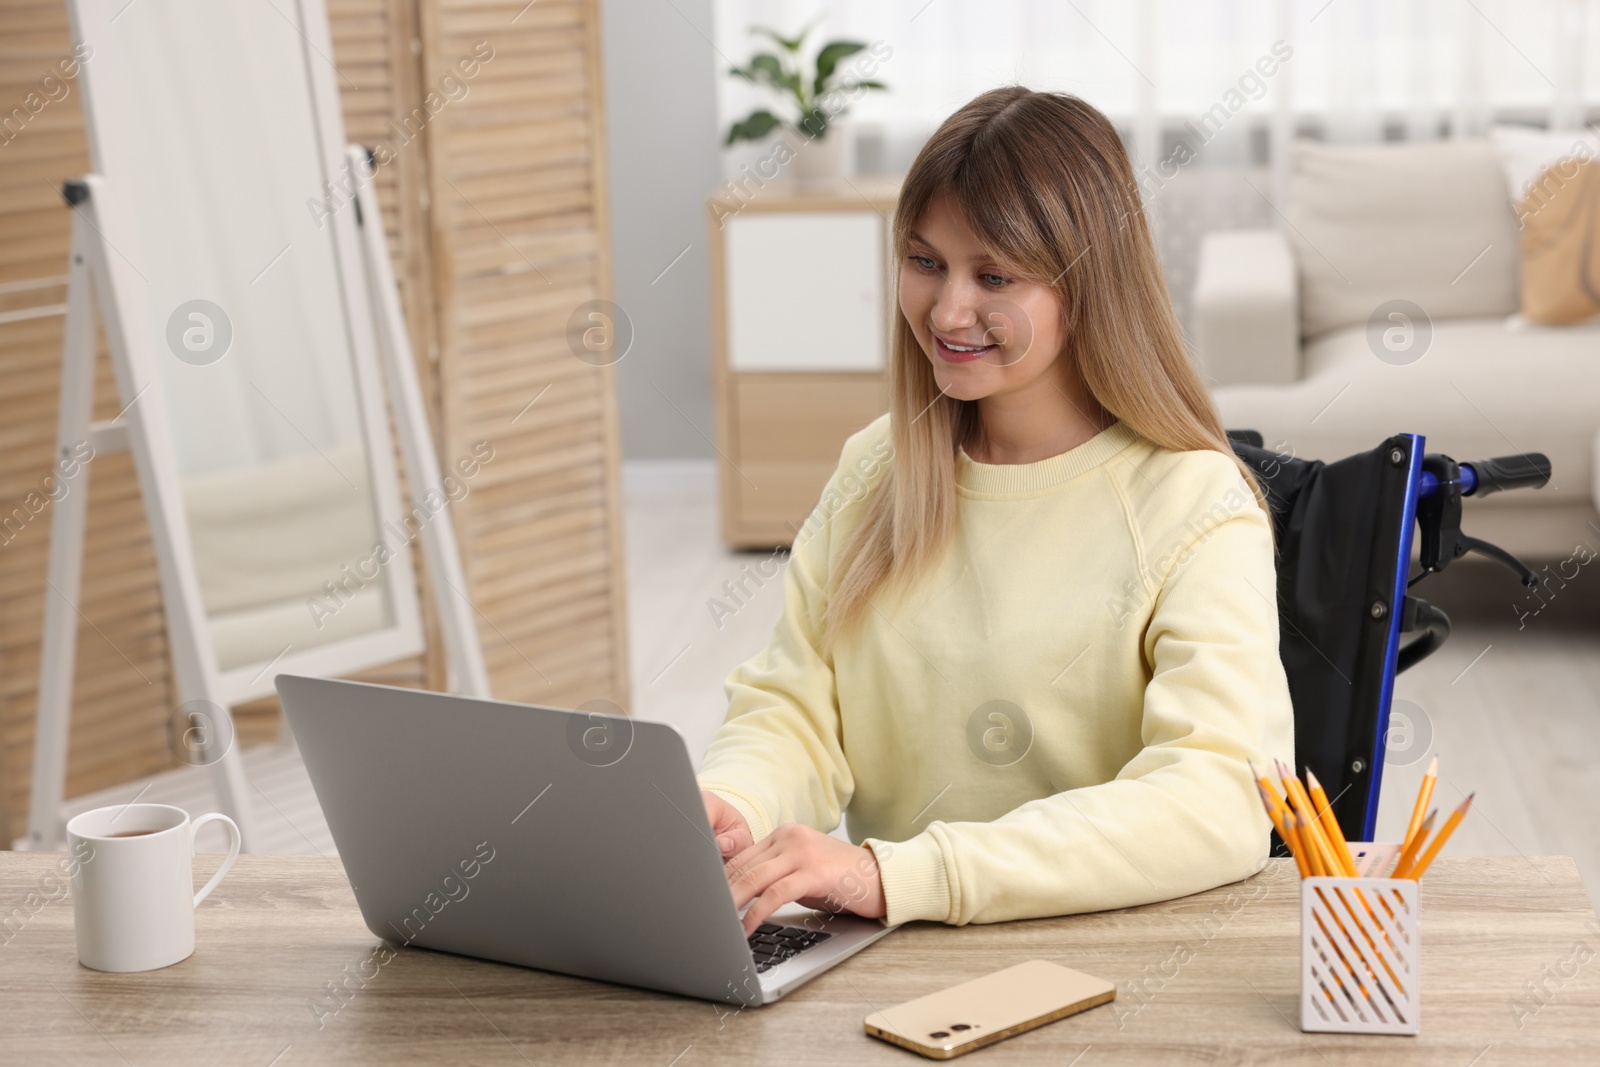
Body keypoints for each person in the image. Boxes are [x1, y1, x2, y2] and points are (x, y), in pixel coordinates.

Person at [698, 86, 1295, 934]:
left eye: (995, 275)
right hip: (896, 953)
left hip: (1101, 957)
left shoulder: (1194, 501)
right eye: (925, 261)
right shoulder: (878, 466)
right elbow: (796, 705)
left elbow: (1218, 801)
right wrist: (734, 803)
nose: (947, 312)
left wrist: (900, 873)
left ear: (1087, 284)